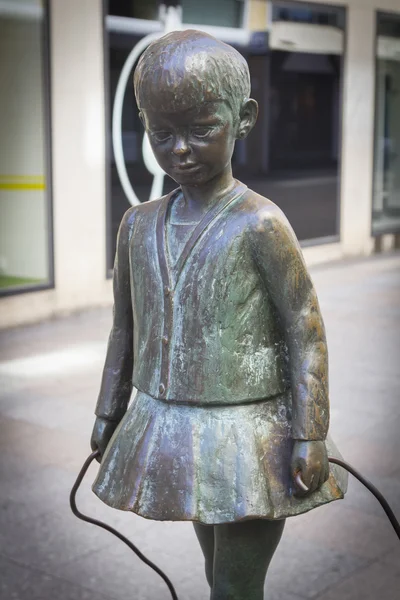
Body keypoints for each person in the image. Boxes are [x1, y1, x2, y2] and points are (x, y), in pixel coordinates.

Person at [90, 30, 347, 600]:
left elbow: (304, 329)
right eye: (162, 133)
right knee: (216, 575)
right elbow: (124, 329)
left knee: (234, 585)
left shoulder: (260, 223)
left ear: (244, 119)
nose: (179, 148)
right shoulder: (137, 226)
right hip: (180, 432)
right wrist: (109, 413)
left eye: (200, 129)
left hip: (250, 437)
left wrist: (311, 432)